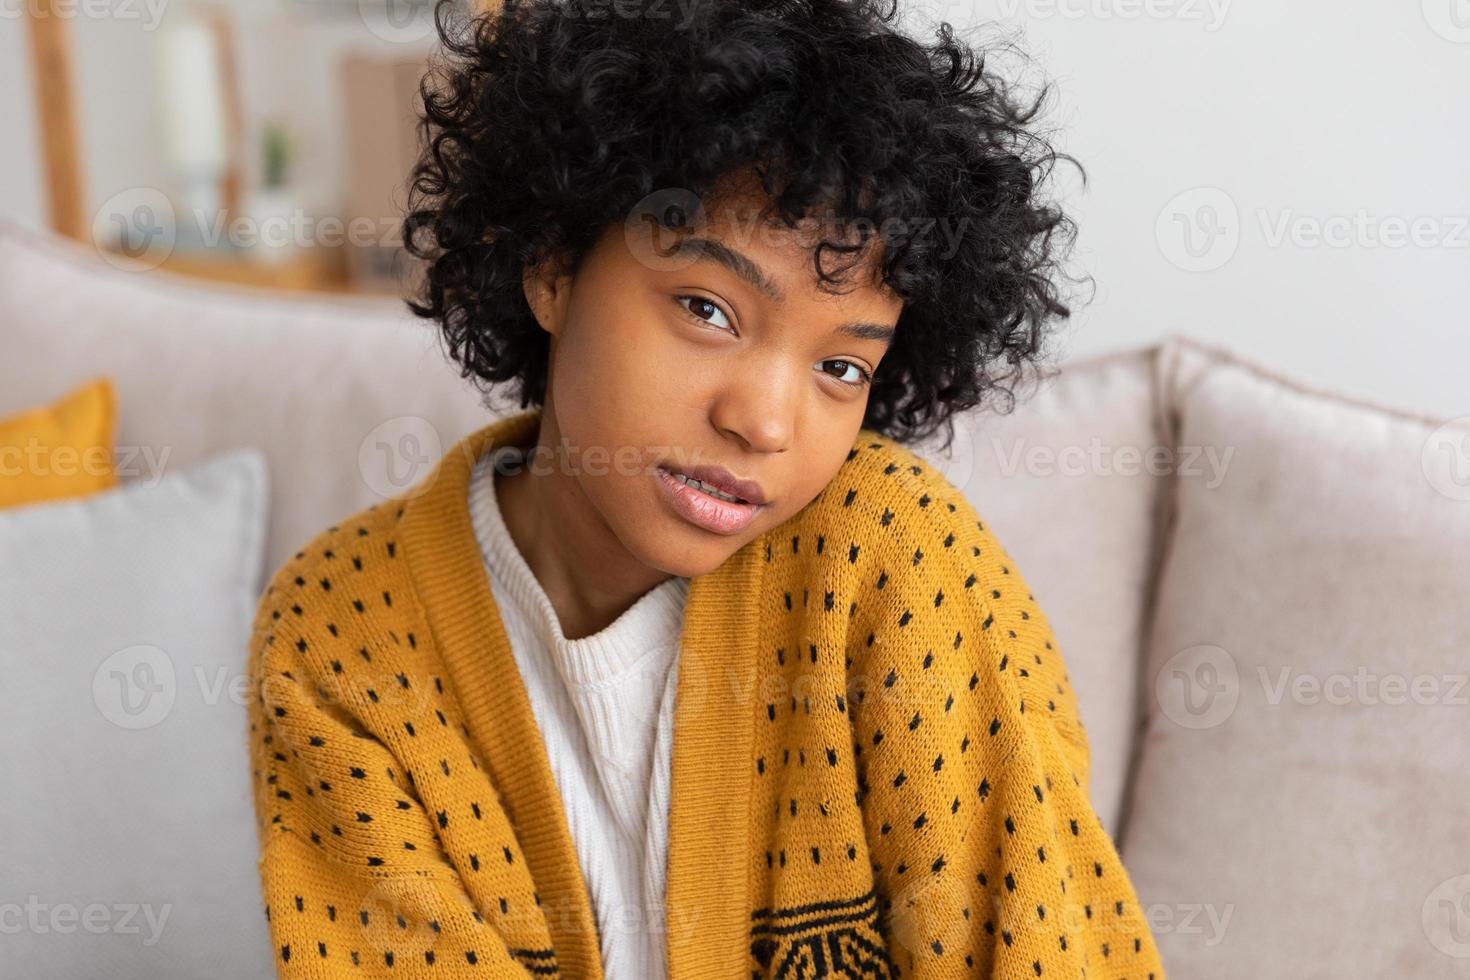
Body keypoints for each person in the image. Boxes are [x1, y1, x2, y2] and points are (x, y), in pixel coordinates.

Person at [244, 0, 1165, 977]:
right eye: (708, 308)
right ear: (553, 267)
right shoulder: (337, 631)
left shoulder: (898, 564)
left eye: (841, 369)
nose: (765, 422)